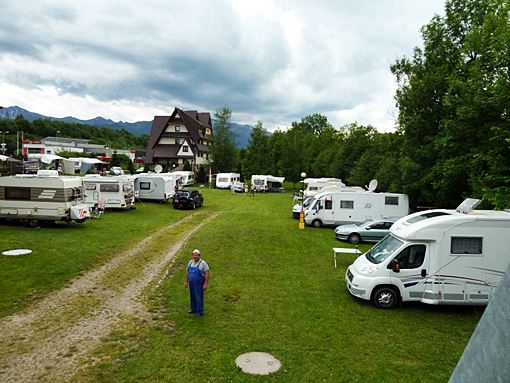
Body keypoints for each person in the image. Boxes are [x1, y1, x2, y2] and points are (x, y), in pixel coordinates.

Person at [185, 249, 209, 316]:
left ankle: (200, 311)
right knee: (192, 296)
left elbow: (207, 273)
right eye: (193, 255)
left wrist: (205, 284)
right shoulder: (190, 262)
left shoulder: (203, 263)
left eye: (196, 255)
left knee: (198, 296)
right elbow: (187, 272)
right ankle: (193, 309)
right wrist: (186, 281)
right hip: (191, 283)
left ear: (199, 255)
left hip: (199, 284)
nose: (194, 257)